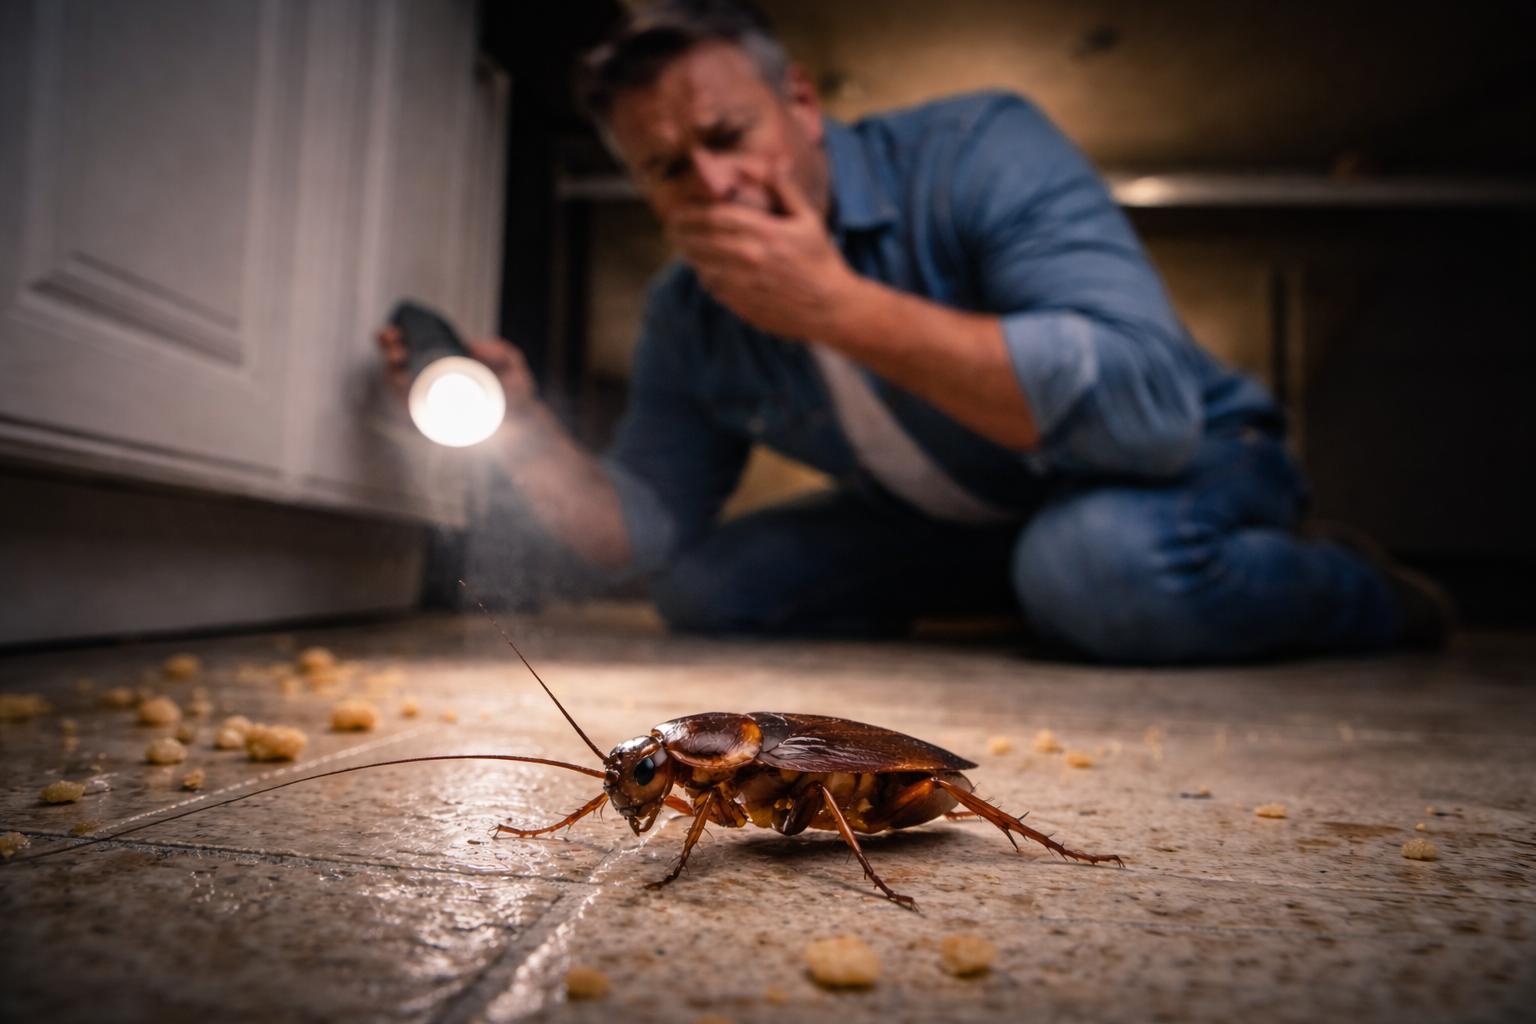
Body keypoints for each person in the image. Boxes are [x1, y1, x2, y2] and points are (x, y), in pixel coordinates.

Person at [379, 0, 1452, 662]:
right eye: (667, 169)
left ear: (801, 101)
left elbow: (1151, 409)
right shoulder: (685, 310)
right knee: (711, 590)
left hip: (1193, 456)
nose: (712, 184)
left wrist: (834, 306)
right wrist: (526, 433)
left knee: (1097, 568)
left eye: (729, 134)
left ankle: (1366, 593)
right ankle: (1041, 591)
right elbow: (644, 533)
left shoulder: (981, 148)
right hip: (963, 516)